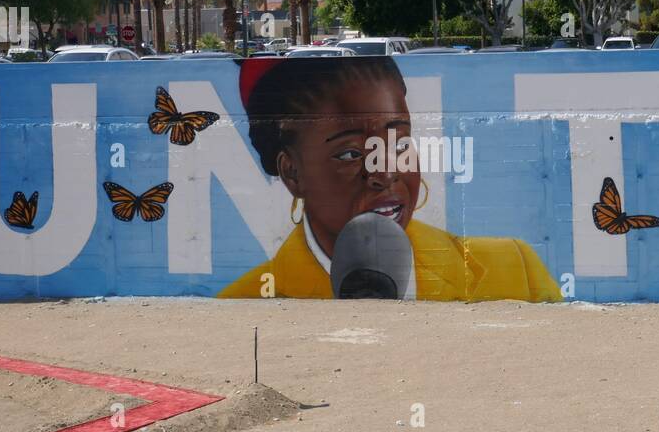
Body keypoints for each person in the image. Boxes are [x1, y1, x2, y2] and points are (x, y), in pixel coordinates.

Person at [220, 56, 561, 303]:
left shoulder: (515, 268)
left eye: (399, 144)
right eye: (351, 154)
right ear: (291, 171)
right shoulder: (247, 300)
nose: (384, 173)